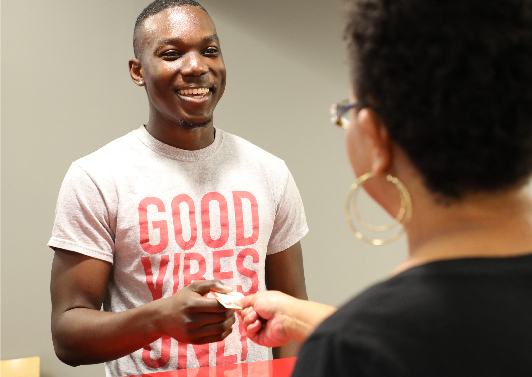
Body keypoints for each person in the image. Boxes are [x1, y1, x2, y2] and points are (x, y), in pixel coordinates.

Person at [239, 0, 532, 375]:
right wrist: (317, 322)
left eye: (347, 111)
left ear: (377, 138)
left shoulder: (348, 355)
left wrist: (344, 336)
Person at [48, 1, 308, 376]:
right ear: (138, 71)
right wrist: (158, 319)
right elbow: (67, 335)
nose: (196, 66)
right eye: (172, 54)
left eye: (210, 51)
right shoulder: (96, 177)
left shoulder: (270, 172)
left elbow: (291, 310)